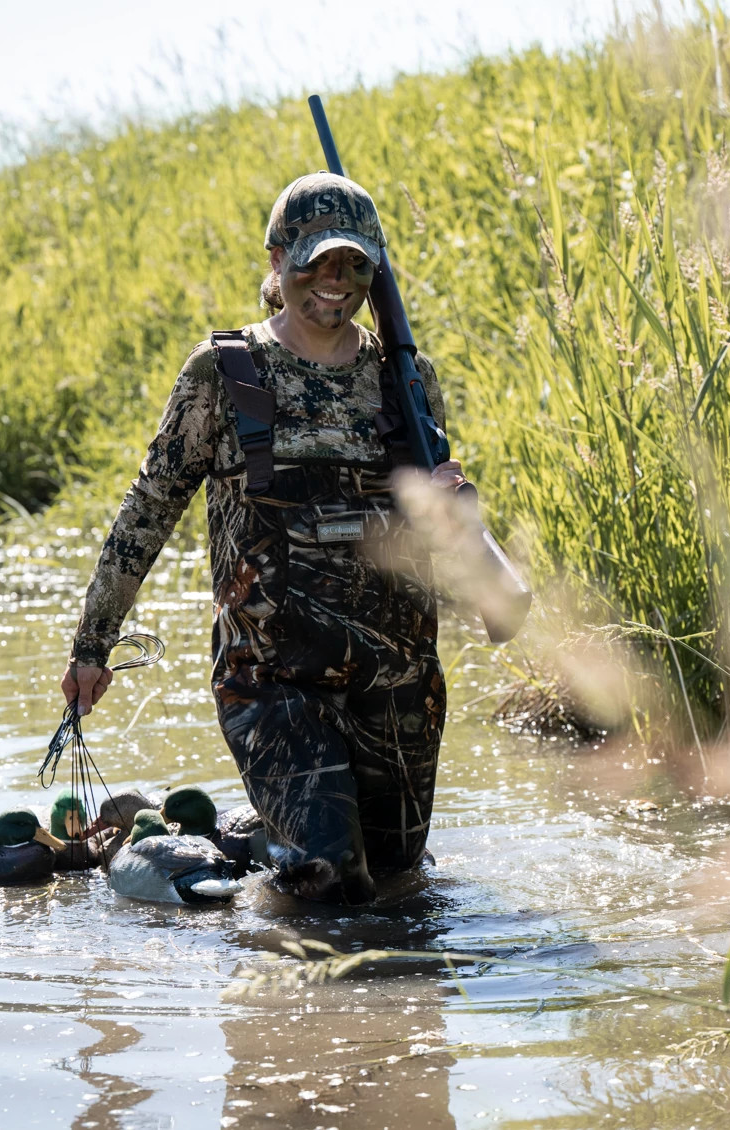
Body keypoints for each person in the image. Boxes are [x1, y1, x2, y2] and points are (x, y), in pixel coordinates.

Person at [61, 172, 462, 903]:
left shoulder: (405, 378)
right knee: (333, 883)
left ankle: (246, 839)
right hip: (273, 679)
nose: (333, 284)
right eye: (315, 263)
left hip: (397, 681)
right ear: (277, 263)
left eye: (354, 266)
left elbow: (431, 540)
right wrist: (92, 645)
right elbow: (148, 510)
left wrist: (453, 511)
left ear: (376, 273)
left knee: (401, 882)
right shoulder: (226, 373)